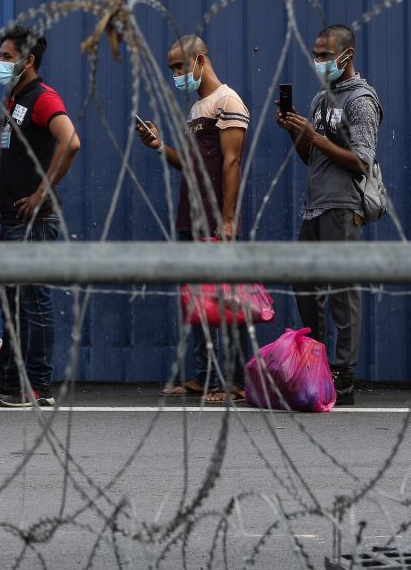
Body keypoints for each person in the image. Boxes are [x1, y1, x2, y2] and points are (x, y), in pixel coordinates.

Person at [0, 25, 80, 408]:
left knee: (34, 302)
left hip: (33, 222)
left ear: (28, 61)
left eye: (7, 57)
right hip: (12, 221)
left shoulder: (42, 98)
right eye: (0, 56)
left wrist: (40, 193)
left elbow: (71, 140)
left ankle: (37, 385)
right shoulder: (13, 98)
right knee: (12, 304)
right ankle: (11, 380)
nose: (0, 63)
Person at [136, 35, 250, 404]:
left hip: (215, 220)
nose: (176, 74)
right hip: (191, 216)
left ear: (200, 60)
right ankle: (204, 377)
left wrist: (228, 219)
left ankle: (235, 380)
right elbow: (188, 163)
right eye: (171, 69)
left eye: (180, 67)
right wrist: (158, 145)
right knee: (198, 302)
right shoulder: (197, 108)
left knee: (226, 301)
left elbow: (232, 162)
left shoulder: (227, 102)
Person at [277, 24, 382, 406]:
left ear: (346, 55)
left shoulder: (360, 101)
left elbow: (362, 162)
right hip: (315, 204)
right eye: (316, 54)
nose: (318, 61)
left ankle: (344, 374)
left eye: (324, 55)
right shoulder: (323, 100)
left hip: (343, 206)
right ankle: (317, 361)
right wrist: (296, 133)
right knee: (304, 283)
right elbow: (313, 159)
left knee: (342, 291)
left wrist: (317, 137)